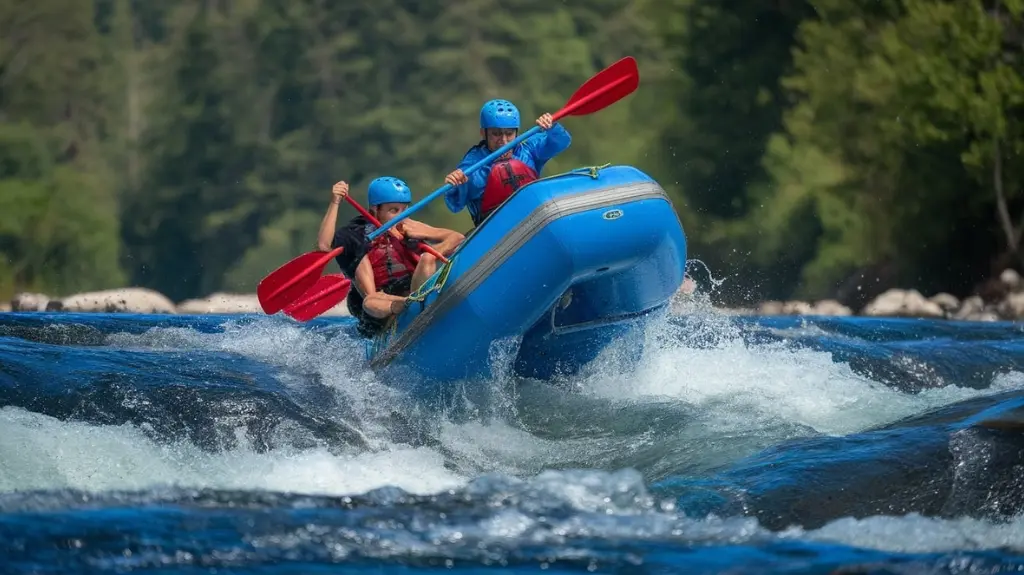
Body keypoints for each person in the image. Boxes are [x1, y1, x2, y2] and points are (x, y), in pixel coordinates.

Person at [317, 177, 463, 337]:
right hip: (386, 306)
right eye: (393, 210)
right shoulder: (355, 234)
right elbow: (325, 245)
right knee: (369, 302)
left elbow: (457, 237)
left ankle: (420, 303)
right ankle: (410, 305)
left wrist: (426, 236)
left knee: (428, 258)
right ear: (375, 209)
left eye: (404, 209)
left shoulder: (410, 225)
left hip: (417, 289)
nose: (401, 215)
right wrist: (335, 202)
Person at [443, 99, 572, 227]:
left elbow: (562, 141)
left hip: (533, 219)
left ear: (517, 133)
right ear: (483, 133)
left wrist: (552, 126)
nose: (504, 141)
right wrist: (455, 184)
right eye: (496, 134)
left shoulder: (528, 149)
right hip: (495, 231)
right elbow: (455, 204)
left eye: (509, 133)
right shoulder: (474, 163)